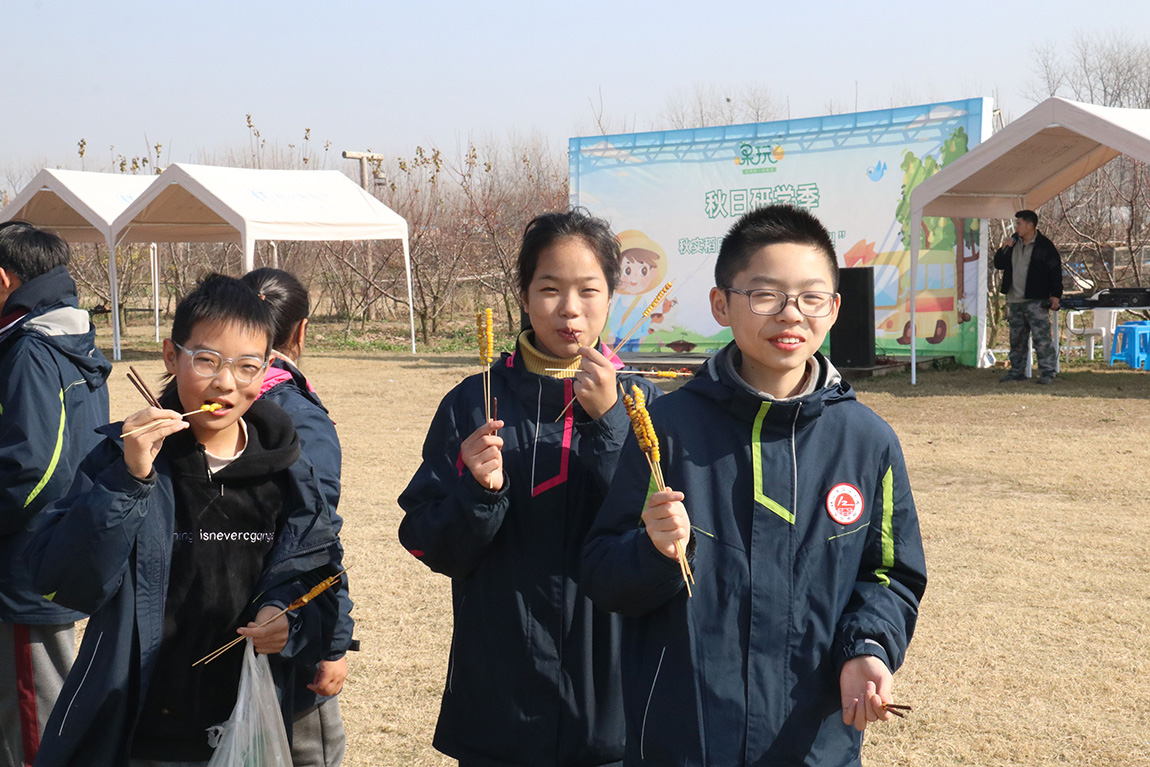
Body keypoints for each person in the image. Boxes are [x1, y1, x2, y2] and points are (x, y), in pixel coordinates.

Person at [582, 204, 928, 767]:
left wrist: (868, 649)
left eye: (811, 297)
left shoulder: (868, 442)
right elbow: (603, 573)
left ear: (835, 308)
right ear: (721, 303)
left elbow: (890, 575)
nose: (790, 315)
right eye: (765, 295)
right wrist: (652, 551)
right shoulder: (667, 430)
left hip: (814, 744)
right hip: (684, 740)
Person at [25, 274, 342, 767]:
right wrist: (128, 480)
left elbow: (321, 576)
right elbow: (68, 583)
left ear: (267, 371)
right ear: (172, 357)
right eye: (208, 360)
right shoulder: (122, 460)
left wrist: (288, 618)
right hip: (143, 725)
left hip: (252, 717)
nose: (225, 382)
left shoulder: (288, 471)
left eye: (246, 366)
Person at [398, 208, 662, 767]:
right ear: (522, 293)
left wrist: (612, 422)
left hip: (614, 704)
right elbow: (430, 542)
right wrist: (477, 493)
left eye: (588, 290)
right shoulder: (475, 402)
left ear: (611, 296)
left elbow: (666, 542)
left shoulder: (645, 406)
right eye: (549, 288)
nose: (569, 308)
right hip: (500, 696)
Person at [0, 222, 111, 767]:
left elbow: (35, 468)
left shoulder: (30, 350)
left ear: (2, 278)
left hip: (25, 563)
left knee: (33, 716)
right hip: (56, 549)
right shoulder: (70, 335)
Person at [241, 267, 354, 767]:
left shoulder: (198, 400)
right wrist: (333, 641)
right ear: (301, 330)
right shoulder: (297, 412)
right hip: (288, 624)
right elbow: (317, 530)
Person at [993, 209, 1063, 384]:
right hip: (1014, 299)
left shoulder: (1044, 246)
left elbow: (1055, 272)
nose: (1016, 227)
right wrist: (1004, 248)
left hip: (1036, 300)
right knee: (1017, 339)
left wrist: (1055, 295)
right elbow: (998, 264)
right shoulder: (1013, 243)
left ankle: (1047, 372)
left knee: (1042, 338)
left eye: (1019, 223)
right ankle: (1017, 371)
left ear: (1030, 225)